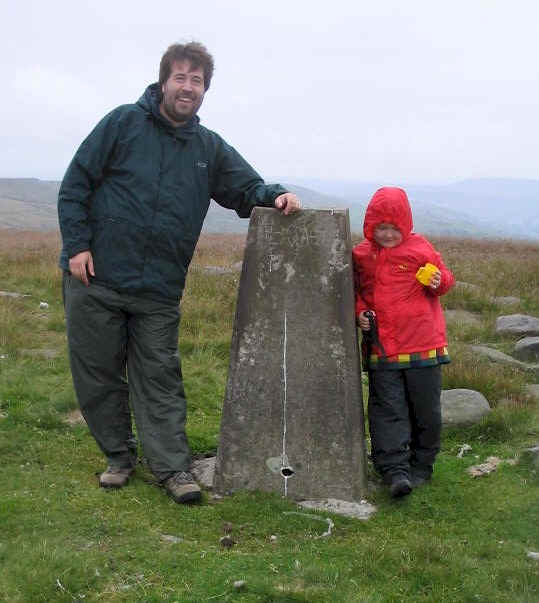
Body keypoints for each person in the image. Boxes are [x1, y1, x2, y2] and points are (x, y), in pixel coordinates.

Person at [58, 41, 301, 504]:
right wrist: (77, 247)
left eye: (197, 80)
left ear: (204, 90)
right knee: (98, 373)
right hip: (97, 277)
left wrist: (275, 195)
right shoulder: (122, 124)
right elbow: (76, 184)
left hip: (158, 288)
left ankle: (173, 469)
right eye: (181, 77)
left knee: (160, 377)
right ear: (164, 81)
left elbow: (244, 187)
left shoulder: (207, 148)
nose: (188, 87)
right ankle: (118, 456)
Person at [352, 187, 454, 498]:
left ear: (404, 225)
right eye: (380, 228)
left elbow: (445, 280)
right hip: (383, 349)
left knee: (426, 411)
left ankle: (422, 465)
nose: (386, 234)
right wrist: (359, 314)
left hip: (423, 345)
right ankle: (394, 471)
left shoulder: (420, 248)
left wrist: (439, 282)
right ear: (371, 227)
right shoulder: (361, 255)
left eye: (393, 228)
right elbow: (354, 291)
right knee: (387, 409)